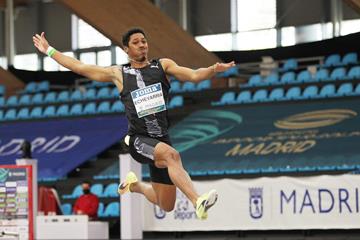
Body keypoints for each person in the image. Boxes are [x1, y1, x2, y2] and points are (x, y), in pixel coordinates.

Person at [33, 28, 235, 220]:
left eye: (144, 41)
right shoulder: (118, 73)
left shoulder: (162, 65)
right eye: (136, 42)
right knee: (172, 155)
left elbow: (193, 75)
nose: (142, 45)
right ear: (126, 49)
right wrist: (49, 50)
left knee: (166, 205)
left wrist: (213, 69)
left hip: (161, 139)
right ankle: (197, 201)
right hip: (138, 139)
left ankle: (135, 186)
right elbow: (79, 67)